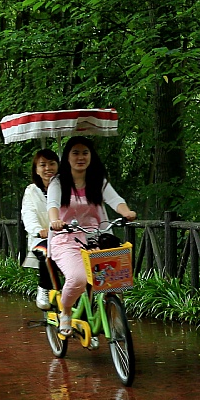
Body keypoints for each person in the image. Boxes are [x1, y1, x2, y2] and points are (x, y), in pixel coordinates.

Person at [47, 135, 136, 336]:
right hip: (66, 238)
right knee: (78, 278)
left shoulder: (98, 181)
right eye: (75, 153)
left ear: (91, 156)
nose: (81, 157)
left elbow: (116, 200)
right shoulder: (58, 182)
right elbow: (52, 204)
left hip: (96, 238)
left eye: (85, 153)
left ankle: (114, 317)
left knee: (115, 279)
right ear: (67, 157)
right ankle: (66, 311)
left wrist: (126, 212)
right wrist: (55, 220)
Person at [20, 149, 62, 309]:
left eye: (52, 163)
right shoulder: (32, 191)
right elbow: (28, 214)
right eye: (43, 165)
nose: (48, 168)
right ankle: (44, 287)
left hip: (67, 235)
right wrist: (38, 230)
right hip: (43, 238)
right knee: (47, 252)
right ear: (36, 170)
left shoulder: (66, 188)